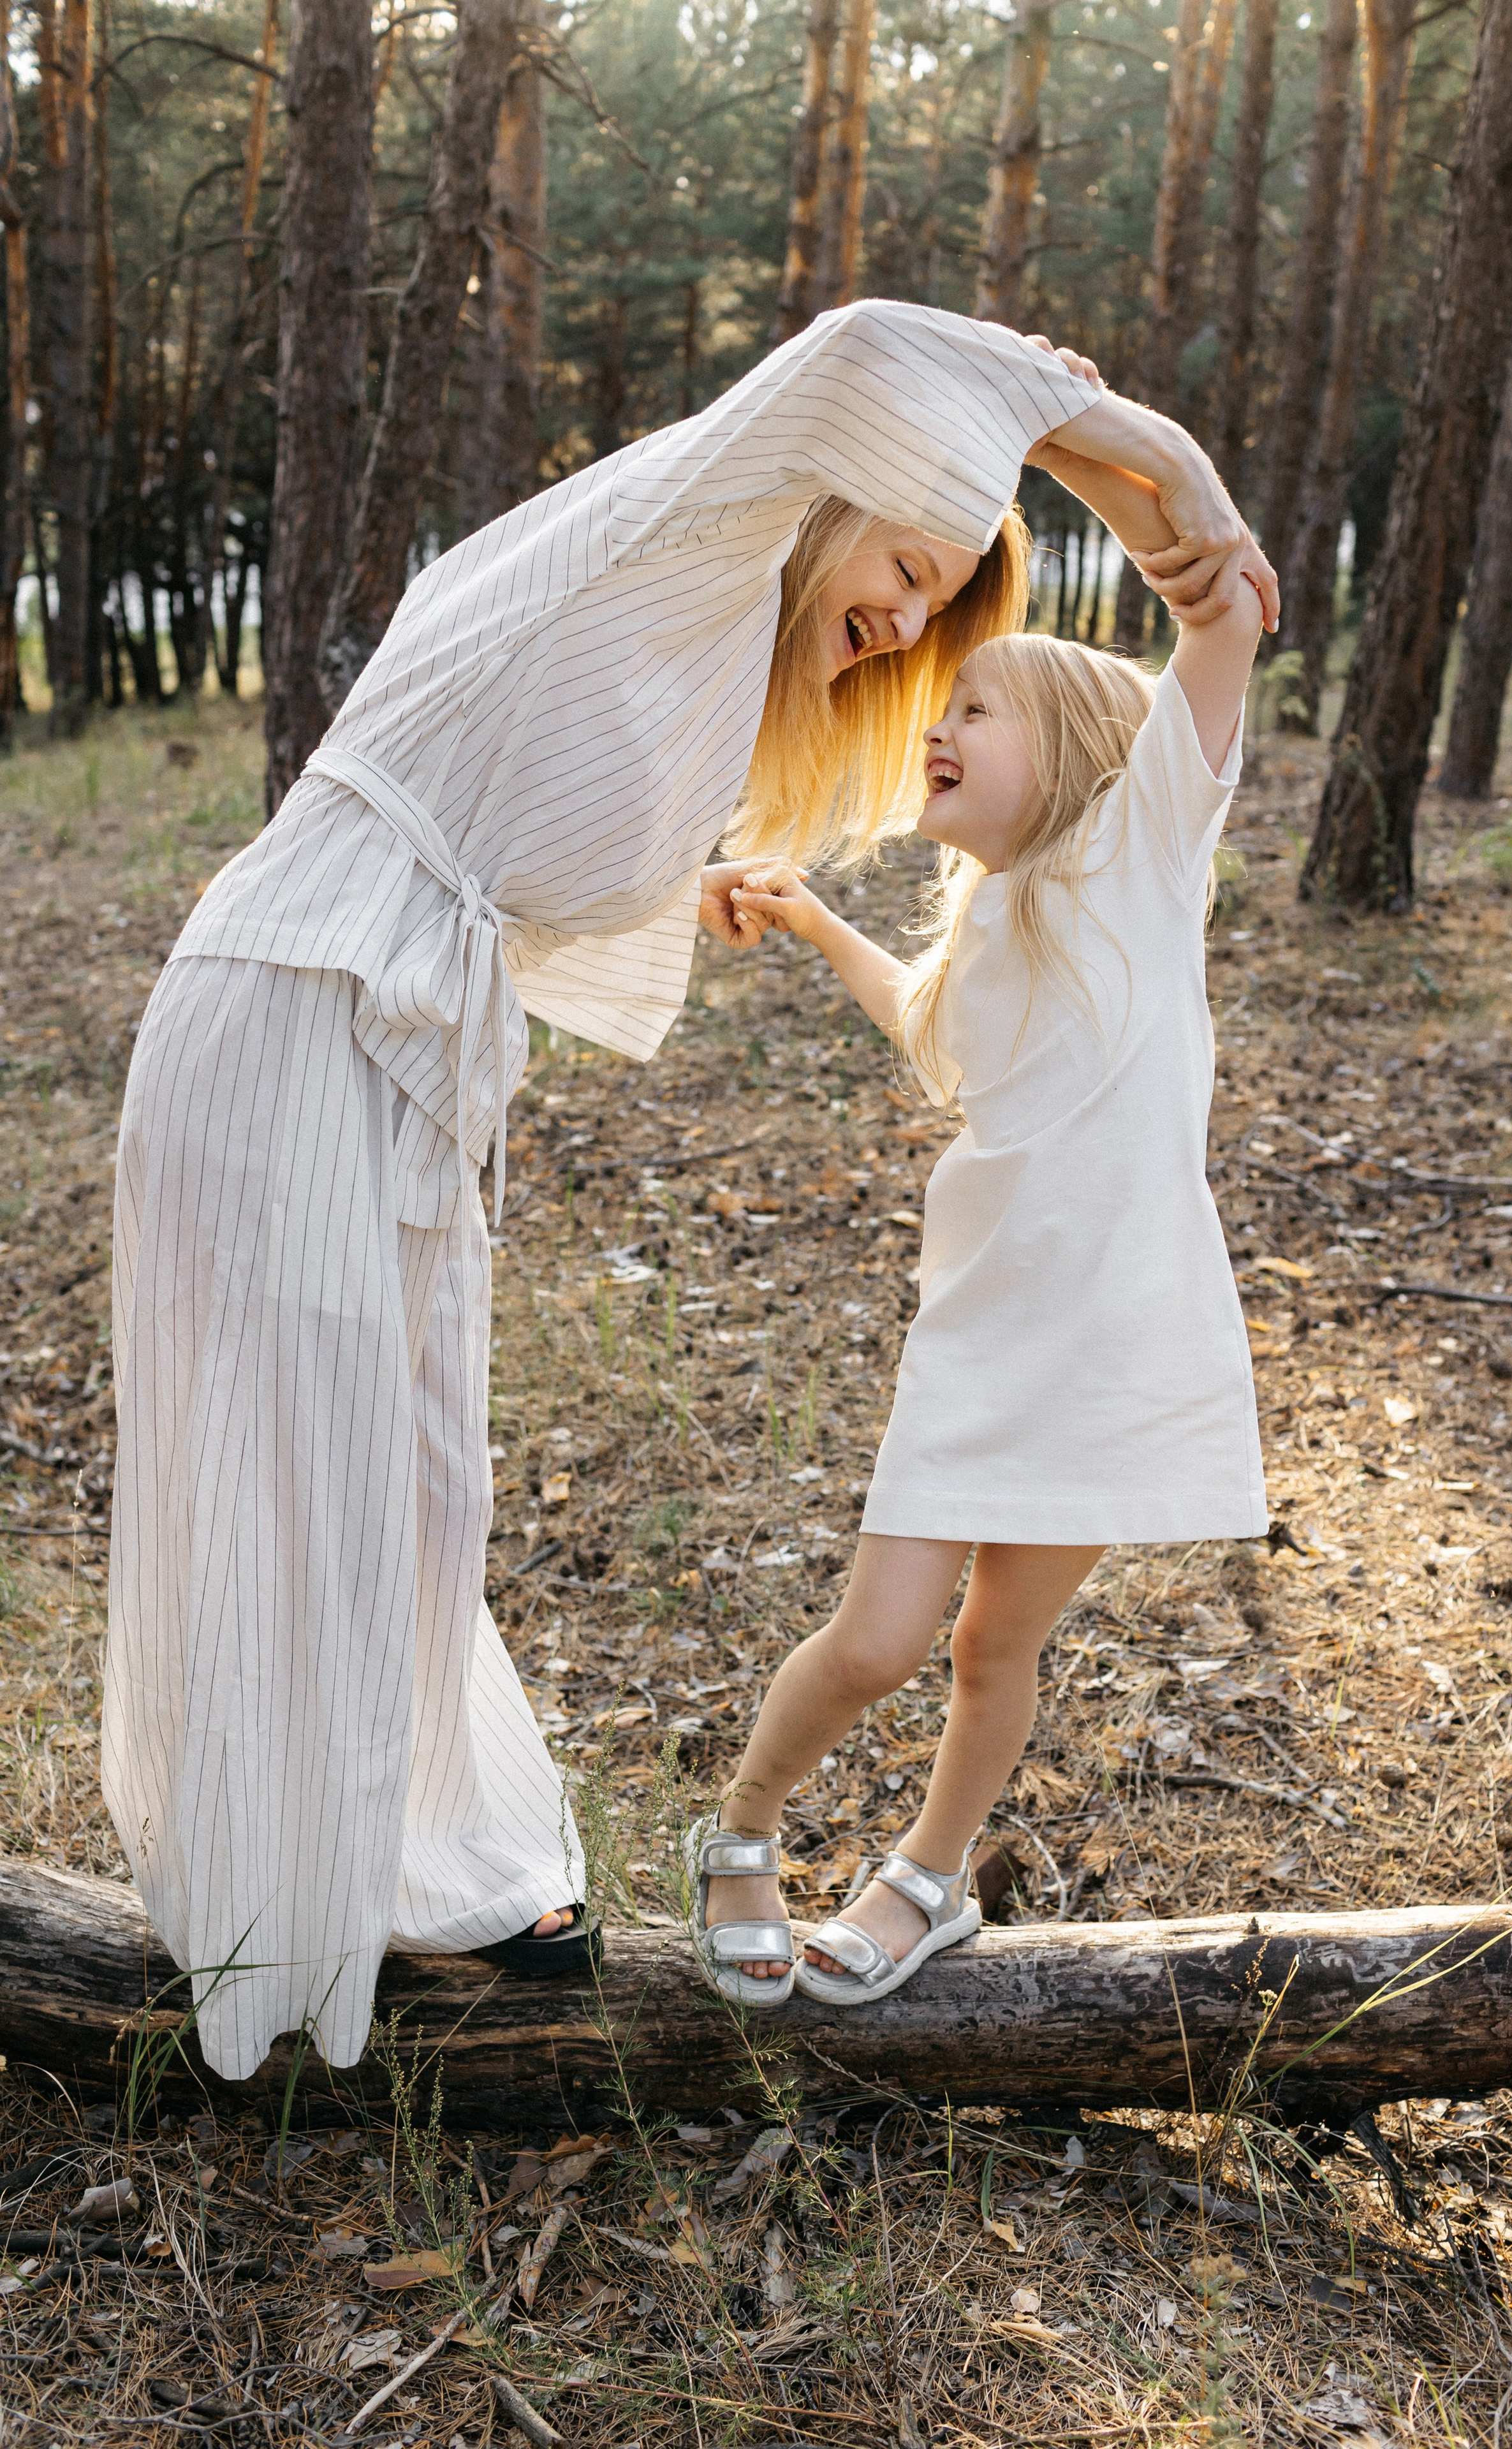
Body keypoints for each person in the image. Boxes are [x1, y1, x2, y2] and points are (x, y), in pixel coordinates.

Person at [106, 296, 1274, 2080]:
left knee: (418, 1482)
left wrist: (768, 891)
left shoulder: (732, 657)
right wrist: (1141, 464)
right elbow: (875, 343)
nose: (901, 631)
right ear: (844, 485)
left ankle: (433, 1865)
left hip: (402, 1053)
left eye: (942, 630)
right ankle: (280, 1925)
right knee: (310, 1471)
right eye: (910, 570)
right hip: (304, 1012)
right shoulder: (691, 517)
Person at [686, 539, 1269, 2006]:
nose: (936, 727)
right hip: (984, 1334)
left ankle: (930, 1875)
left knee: (992, 1647)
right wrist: (818, 920)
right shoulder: (993, 924)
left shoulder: (1136, 860)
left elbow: (1218, 623)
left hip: (1118, 1336)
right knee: (882, 1641)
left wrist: (1112, 456)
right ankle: (738, 1825)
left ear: (1077, 755)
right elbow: (933, 1035)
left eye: (978, 709)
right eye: (940, 708)